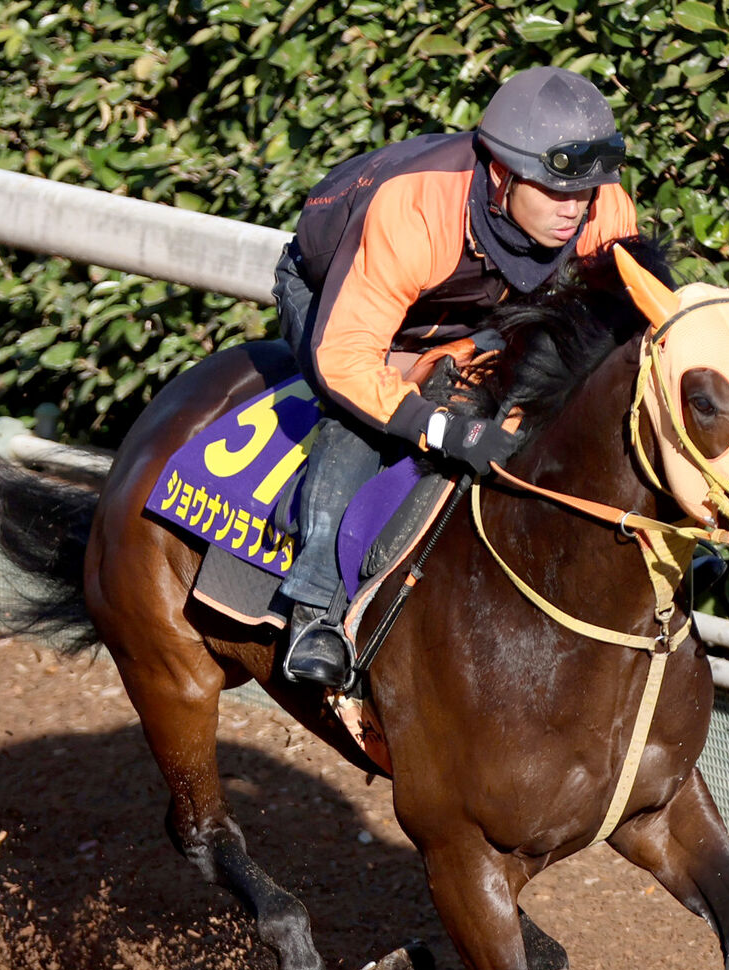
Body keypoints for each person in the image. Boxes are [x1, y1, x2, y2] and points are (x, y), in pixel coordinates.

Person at [272, 65, 639, 687]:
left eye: (586, 192)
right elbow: (348, 360)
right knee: (360, 420)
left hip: (468, 309)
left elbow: (622, 340)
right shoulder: (414, 208)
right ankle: (314, 612)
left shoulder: (602, 210)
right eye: (554, 192)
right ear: (500, 174)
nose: (573, 211)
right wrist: (442, 429)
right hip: (345, 305)